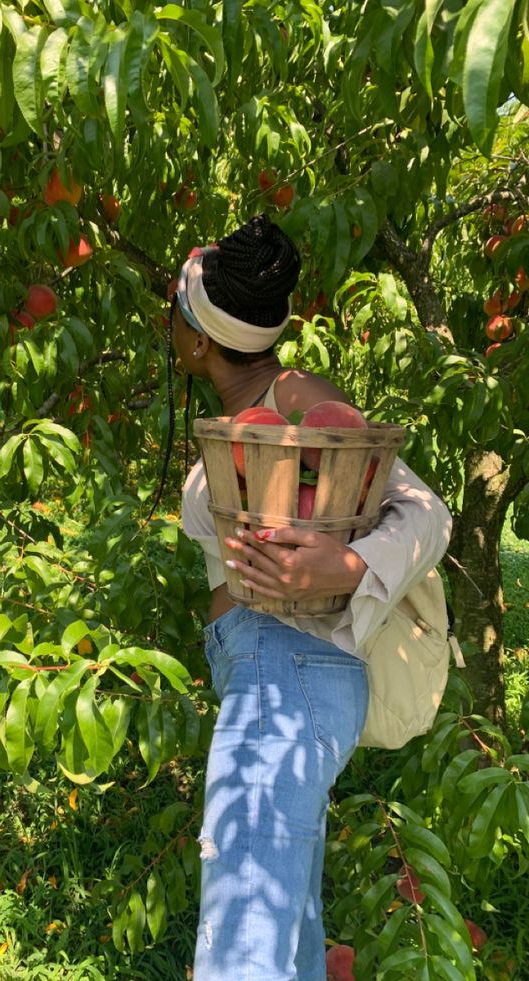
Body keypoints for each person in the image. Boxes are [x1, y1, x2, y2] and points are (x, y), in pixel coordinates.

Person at [171, 214, 452, 981]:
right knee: (287, 944)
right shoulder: (249, 413)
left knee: (242, 948)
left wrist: (350, 567)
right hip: (274, 676)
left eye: (174, 310)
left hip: (282, 669)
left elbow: (429, 513)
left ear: (198, 338)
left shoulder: (301, 405)